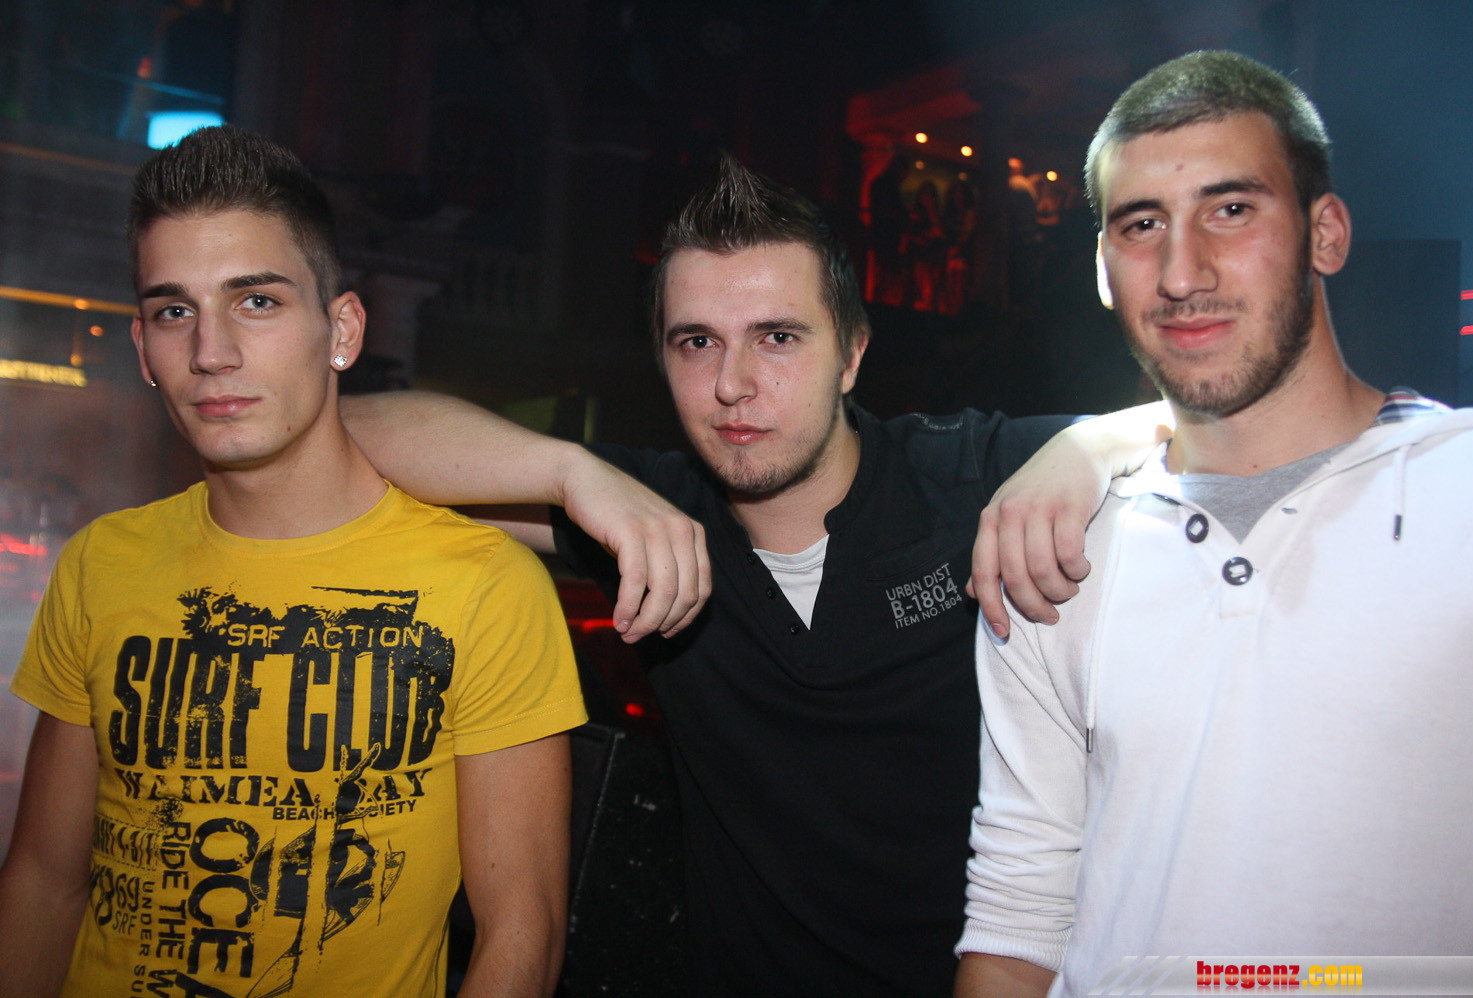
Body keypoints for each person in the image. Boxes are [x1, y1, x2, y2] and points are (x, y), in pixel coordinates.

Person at [343, 155, 1168, 996]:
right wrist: (569, 474)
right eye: (697, 343)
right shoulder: (649, 513)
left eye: (778, 338)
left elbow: (1215, 419)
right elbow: (341, 437)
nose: (732, 385)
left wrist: (1091, 444)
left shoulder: (968, 474)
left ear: (851, 355)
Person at [956, 50, 1473, 998]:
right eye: (1141, 225)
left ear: (1325, 232)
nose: (1182, 272)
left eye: (1231, 209)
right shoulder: (1053, 545)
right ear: (1102, 269)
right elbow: (1016, 921)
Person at [0, 126, 586, 998]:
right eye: (174, 312)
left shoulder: (484, 587)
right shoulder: (101, 563)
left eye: (257, 301)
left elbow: (522, 940)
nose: (211, 353)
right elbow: (44, 883)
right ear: (143, 349)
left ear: (341, 330)